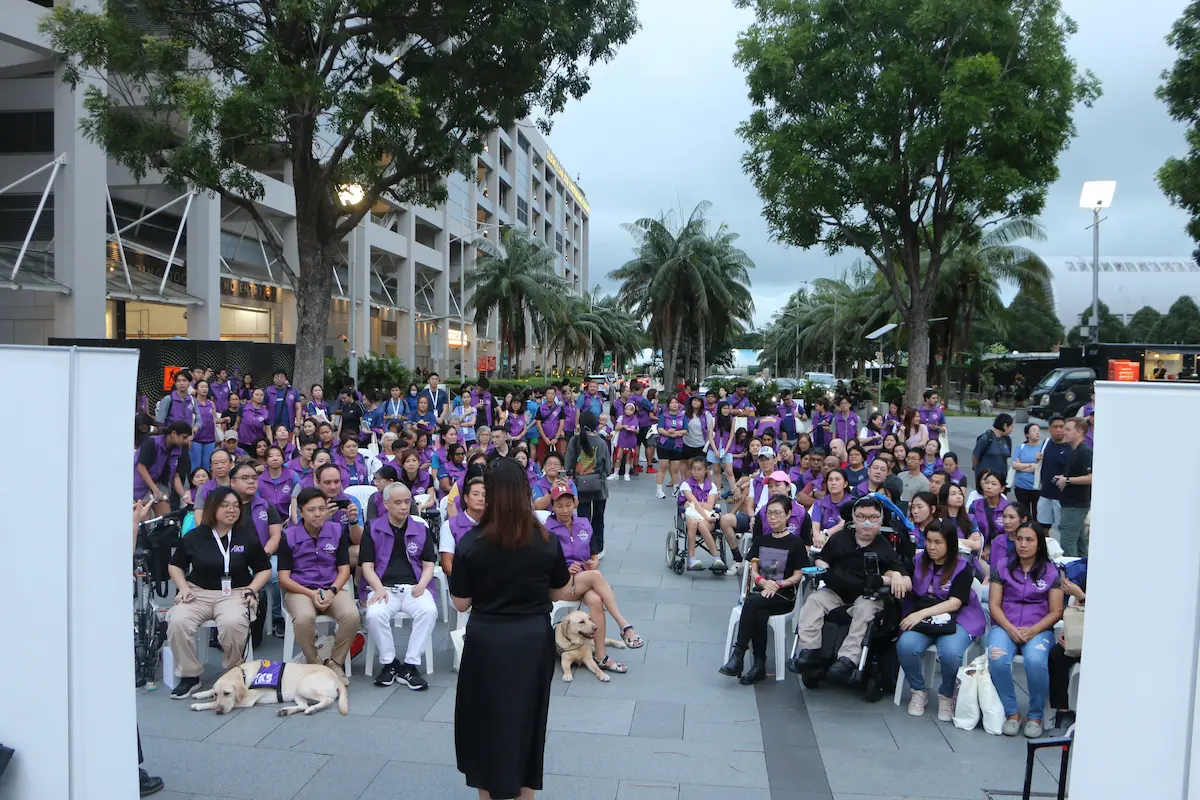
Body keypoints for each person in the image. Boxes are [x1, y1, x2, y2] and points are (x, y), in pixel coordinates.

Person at [450, 458, 570, 800]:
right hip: (532, 641)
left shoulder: (471, 542)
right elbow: (560, 590)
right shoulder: (546, 540)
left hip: (487, 641)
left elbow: (460, 603)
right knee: (527, 725)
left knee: (485, 724)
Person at [165, 487, 271, 699]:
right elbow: (175, 565)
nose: (232, 510)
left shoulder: (246, 536)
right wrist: (184, 587)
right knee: (177, 622)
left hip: (236, 592)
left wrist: (252, 589)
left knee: (232, 624)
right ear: (212, 508)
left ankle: (234, 671)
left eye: (235, 506)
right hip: (198, 592)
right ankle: (190, 675)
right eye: (225, 505)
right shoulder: (195, 536)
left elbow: (264, 568)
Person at [791, 496, 910, 682]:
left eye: (873, 518)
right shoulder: (840, 538)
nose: (867, 523)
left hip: (866, 596)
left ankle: (848, 659)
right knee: (814, 601)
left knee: (865, 609)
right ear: (853, 518)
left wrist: (891, 578)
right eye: (861, 517)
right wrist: (825, 569)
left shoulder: (884, 547)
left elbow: (906, 580)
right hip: (836, 591)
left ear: (880, 520)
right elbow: (822, 559)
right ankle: (809, 651)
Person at [896, 520, 987, 720]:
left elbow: (955, 603)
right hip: (923, 617)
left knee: (950, 652)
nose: (932, 547)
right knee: (905, 646)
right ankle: (918, 690)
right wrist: (899, 577)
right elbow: (905, 576)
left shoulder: (963, 567)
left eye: (938, 542)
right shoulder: (918, 561)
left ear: (950, 543)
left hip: (958, 618)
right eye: (928, 541)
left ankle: (946, 694)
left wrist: (920, 614)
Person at [545, 484, 641, 670]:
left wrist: (593, 562)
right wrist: (565, 568)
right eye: (559, 506)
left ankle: (600, 656)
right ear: (552, 506)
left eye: (568, 504)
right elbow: (543, 565)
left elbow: (594, 555)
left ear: (574, 504)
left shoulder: (583, 524)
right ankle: (624, 625)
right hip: (558, 585)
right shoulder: (546, 530)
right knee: (596, 576)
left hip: (582, 580)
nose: (564, 510)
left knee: (596, 600)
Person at [721, 494, 809, 684]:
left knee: (752, 602)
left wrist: (778, 584)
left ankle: (739, 654)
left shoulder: (796, 543)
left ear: (788, 515)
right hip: (762, 591)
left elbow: (798, 574)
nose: (773, 517)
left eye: (777, 513)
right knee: (758, 612)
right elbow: (753, 567)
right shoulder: (762, 540)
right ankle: (759, 665)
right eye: (769, 513)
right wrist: (762, 581)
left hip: (783, 595)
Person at [987, 522, 1064, 738]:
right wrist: (1011, 629)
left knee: (1036, 661)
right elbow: (994, 604)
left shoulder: (1051, 571)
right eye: (1019, 539)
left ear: (1039, 543)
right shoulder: (1002, 566)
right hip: (1005, 625)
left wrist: (1032, 631)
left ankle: (1035, 715)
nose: (1023, 544)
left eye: (1029, 540)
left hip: (1038, 628)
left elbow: (1056, 611)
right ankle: (1012, 713)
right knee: (997, 658)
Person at [277, 487, 358, 683]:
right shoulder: (288, 536)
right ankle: (314, 663)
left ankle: (335, 663)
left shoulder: (337, 531)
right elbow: (284, 578)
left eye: (322, 509)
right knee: (304, 618)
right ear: (301, 512)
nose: (318, 514)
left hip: (330, 586)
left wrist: (332, 591)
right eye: (311, 509)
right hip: (300, 590)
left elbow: (344, 570)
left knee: (352, 616)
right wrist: (310, 593)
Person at [360, 482, 437, 690]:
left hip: (414, 587)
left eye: (407, 502)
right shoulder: (373, 528)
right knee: (375, 614)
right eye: (398, 503)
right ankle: (390, 663)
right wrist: (378, 588)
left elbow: (429, 564)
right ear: (385, 504)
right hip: (383, 587)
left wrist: (422, 584)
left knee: (429, 611)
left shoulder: (421, 528)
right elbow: (366, 566)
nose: (404, 507)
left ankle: (411, 665)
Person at [563, 410, 612, 555]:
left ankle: (583, 548)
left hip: (580, 486)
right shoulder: (601, 442)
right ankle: (598, 549)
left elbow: (568, 465)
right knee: (598, 518)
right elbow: (608, 468)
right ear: (596, 425)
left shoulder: (574, 440)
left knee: (582, 520)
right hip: (599, 487)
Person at [134, 421, 192, 513]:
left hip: (160, 484)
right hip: (141, 485)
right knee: (145, 519)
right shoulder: (151, 442)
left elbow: (176, 477)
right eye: (184, 437)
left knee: (165, 518)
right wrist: (155, 490)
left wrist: (184, 497)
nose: (186, 441)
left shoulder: (178, 450)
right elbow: (141, 468)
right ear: (173, 434)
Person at [439, 470, 486, 575]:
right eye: (475, 494)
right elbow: (447, 565)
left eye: (484, 495)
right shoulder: (450, 526)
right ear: (465, 498)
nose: (480, 499)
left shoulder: (493, 524)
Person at [1035, 415, 1071, 532]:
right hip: (1045, 492)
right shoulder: (1046, 443)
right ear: (1049, 429)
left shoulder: (1070, 446)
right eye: (1055, 427)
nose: (1059, 430)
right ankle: (1046, 549)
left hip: (1062, 496)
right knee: (1043, 527)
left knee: (1063, 528)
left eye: (1061, 426)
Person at [655, 396, 688, 498]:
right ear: (668, 405)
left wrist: (677, 433)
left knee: (674, 469)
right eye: (672, 403)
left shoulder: (682, 416)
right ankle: (659, 490)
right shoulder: (663, 416)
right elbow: (660, 429)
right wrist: (669, 434)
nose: (674, 405)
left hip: (677, 445)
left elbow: (685, 430)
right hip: (664, 445)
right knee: (663, 468)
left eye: (676, 403)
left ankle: (676, 489)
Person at [970, 470, 1011, 545]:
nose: (989, 486)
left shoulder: (1009, 507)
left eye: (994, 484)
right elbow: (970, 529)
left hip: (1003, 547)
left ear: (1002, 488)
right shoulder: (975, 505)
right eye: (986, 483)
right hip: (979, 548)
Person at [1012, 423, 1043, 509]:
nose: (1037, 432)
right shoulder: (1021, 447)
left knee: (1037, 514)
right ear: (1027, 434)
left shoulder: (1043, 448)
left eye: (1038, 430)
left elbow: (1038, 468)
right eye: (1034, 430)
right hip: (1021, 486)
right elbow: (1014, 465)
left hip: (1037, 486)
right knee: (1023, 513)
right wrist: (1030, 465)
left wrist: (1021, 467)